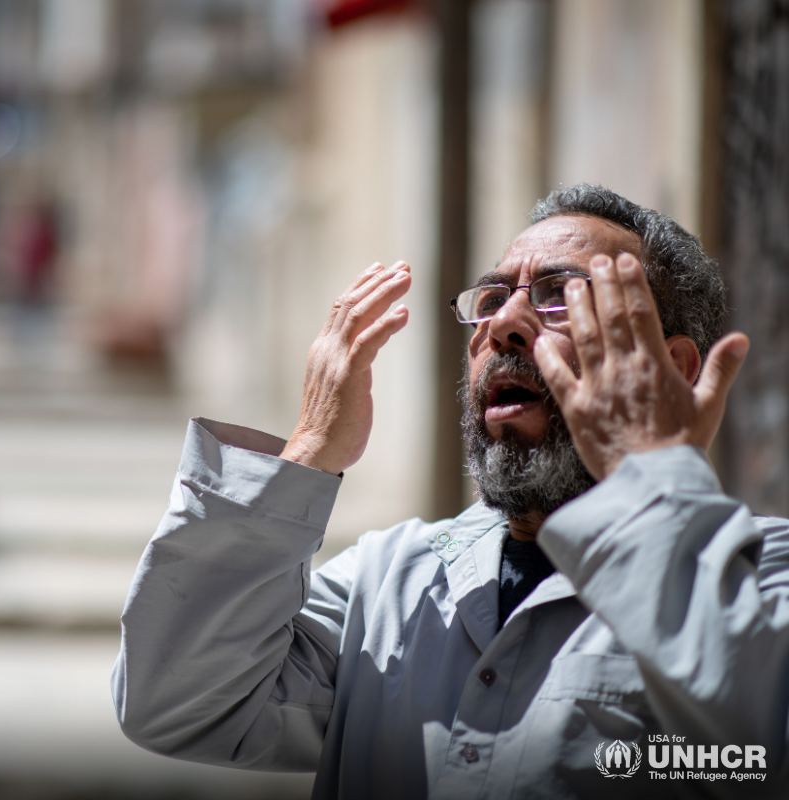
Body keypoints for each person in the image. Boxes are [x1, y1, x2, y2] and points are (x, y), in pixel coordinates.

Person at [111, 184, 789, 799]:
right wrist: (309, 452)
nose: (506, 323)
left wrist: (649, 474)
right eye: (492, 300)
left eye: (560, 295)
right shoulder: (390, 582)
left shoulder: (760, 581)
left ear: (671, 369)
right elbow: (177, 702)